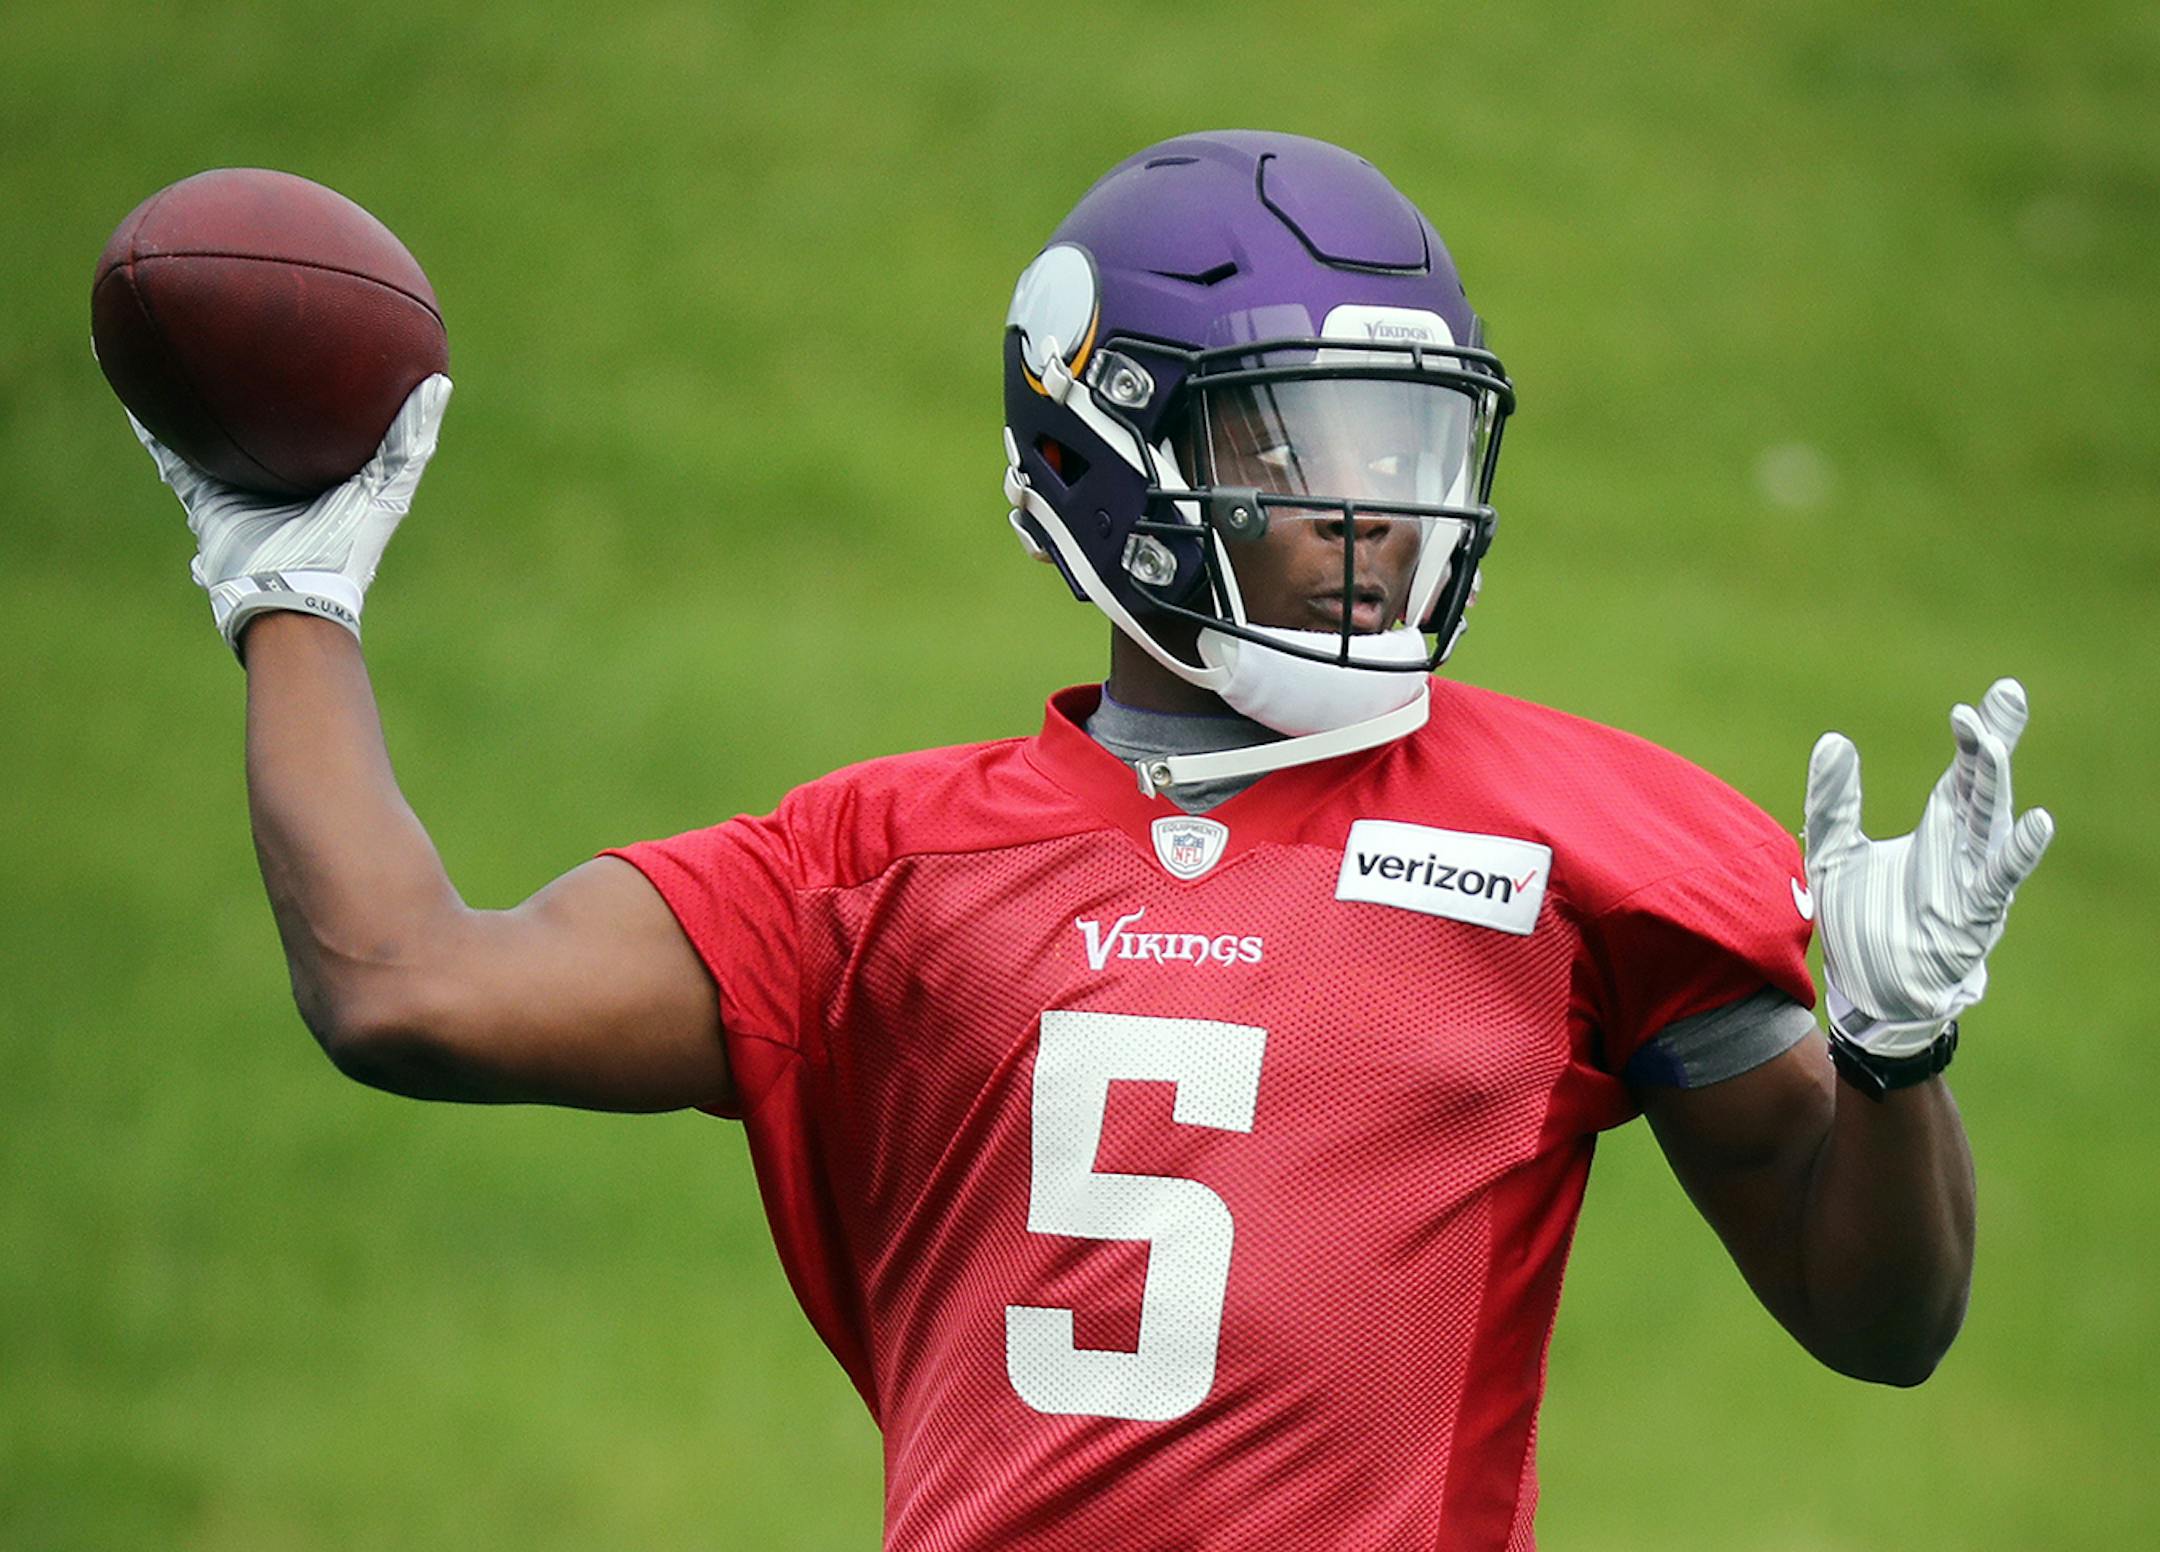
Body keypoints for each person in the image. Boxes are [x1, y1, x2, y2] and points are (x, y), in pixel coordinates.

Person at [129, 130, 2054, 1549]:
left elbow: (1878, 1319)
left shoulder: (1596, 841)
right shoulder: (880, 868)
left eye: (1408, 452)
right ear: (1099, 452)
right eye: (1294, 449)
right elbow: (406, 988)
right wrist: (294, 596)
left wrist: (1897, 1063)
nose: (1375, 518)